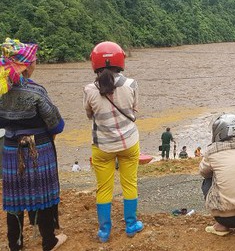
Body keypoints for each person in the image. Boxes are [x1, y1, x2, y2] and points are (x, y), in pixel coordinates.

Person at [0, 38, 67, 251]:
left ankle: (15, 244)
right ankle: (49, 241)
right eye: (35, 60)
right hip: (38, 150)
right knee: (43, 195)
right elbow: (57, 124)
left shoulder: (1, 92)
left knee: (14, 200)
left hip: (11, 151)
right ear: (27, 66)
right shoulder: (36, 92)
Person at [83, 41, 143, 243]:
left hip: (102, 147)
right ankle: (131, 225)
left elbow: (89, 115)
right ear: (120, 61)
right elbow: (134, 109)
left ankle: (104, 231)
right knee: (129, 184)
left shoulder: (90, 90)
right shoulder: (131, 84)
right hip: (129, 143)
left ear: (95, 64)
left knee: (104, 188)